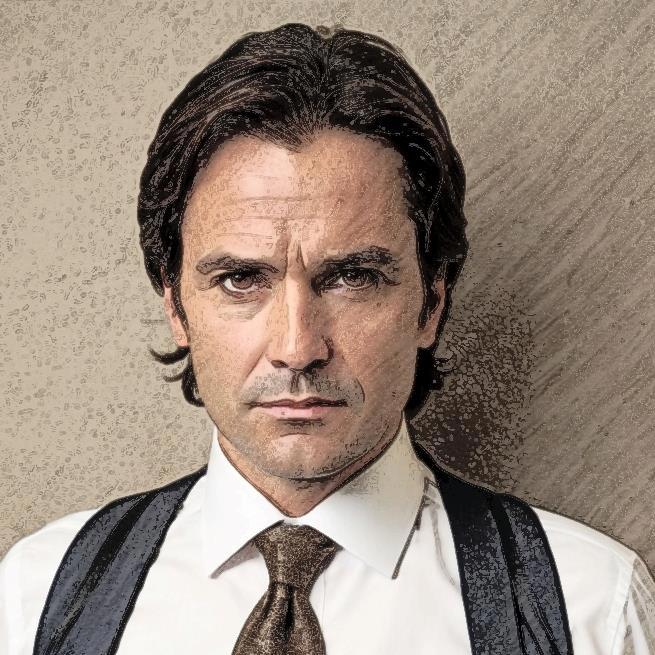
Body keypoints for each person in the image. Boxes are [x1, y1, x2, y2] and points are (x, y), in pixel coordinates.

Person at [1, 22, 654, 655]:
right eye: (240, 279)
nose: (296, 346)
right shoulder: (35, 597)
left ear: (430, 302)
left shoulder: (591, 610)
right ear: (176, 306)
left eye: (351, 277)